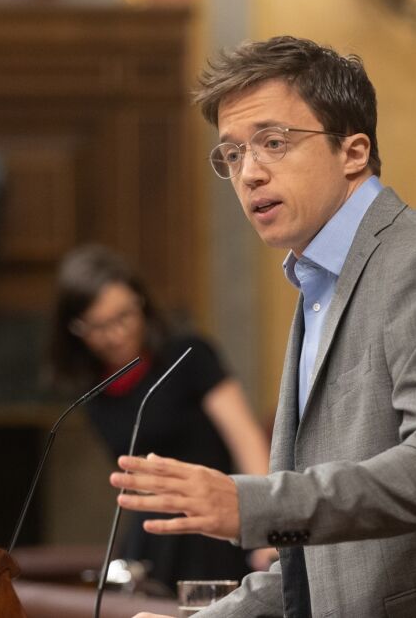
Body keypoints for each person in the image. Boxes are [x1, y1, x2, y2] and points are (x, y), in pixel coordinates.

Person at [111, 36, 416, 617]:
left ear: (353, 152)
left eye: (273, 143)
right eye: (233, 153)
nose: (249, 173)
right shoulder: (320, 285)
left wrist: (252, 505)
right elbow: (316, 565)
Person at [46, 244, 273, 593]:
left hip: (213, 528)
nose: (116, 334)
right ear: (75, 329)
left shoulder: (188, 355)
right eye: (99, 326)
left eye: (124, 316)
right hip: (151, 536)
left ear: (141, 303)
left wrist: (266, 525)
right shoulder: (94, 390)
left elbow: (246, 439)